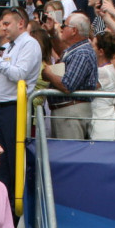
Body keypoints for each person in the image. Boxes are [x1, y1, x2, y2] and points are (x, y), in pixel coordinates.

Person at [0, 8, 42, 198]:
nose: (3, 29)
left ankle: (15, 206)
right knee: (2, 161)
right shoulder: (11, 46)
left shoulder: (29, 44)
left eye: (7, 24)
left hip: (15, 107)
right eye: (2, 24)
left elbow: (18, 75)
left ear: (20, 23)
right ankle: (5, 204)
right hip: (3, 107)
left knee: (13, 162)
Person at [42, 12, 98, 140]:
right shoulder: (76, 49)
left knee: (69, 155)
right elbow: (60, 49)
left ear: (74, 30)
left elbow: (67, 85)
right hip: (67, 111)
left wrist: (48, 74)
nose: (61, 28)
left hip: (71, 111)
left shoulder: (82, 53)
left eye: (64, 25)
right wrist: (52, 33)